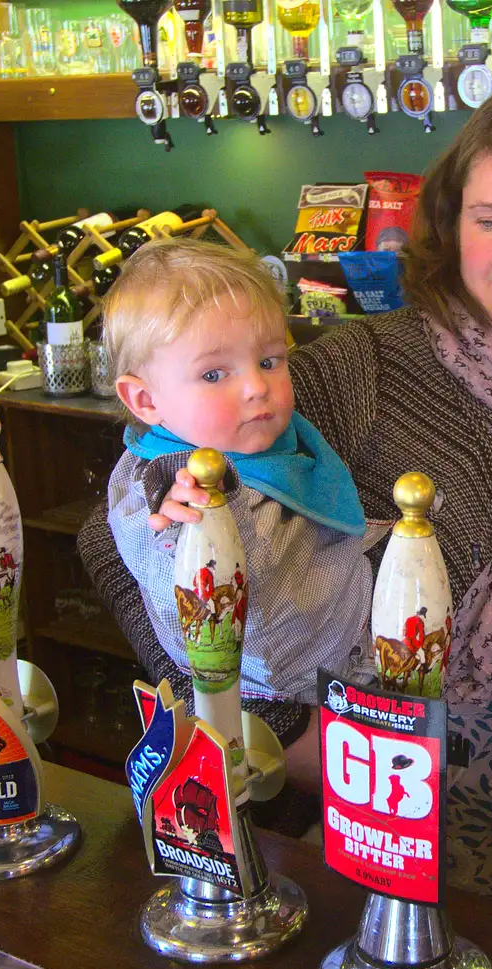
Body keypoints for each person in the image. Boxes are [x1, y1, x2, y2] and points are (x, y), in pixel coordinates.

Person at [80, 81, 492, 923]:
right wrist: (276, 731)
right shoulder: (367, 367)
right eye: (489, 218)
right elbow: (117, 543)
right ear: (453, 222)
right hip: (356, 842)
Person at [95, 238, 377, 727]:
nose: (256, 386)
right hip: (266, 682)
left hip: (346, 655)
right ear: (144, 401)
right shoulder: (169, 477)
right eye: (214, 374)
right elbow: (160, 550)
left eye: (269, 361)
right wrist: (183, 524)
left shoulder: (272, 441)